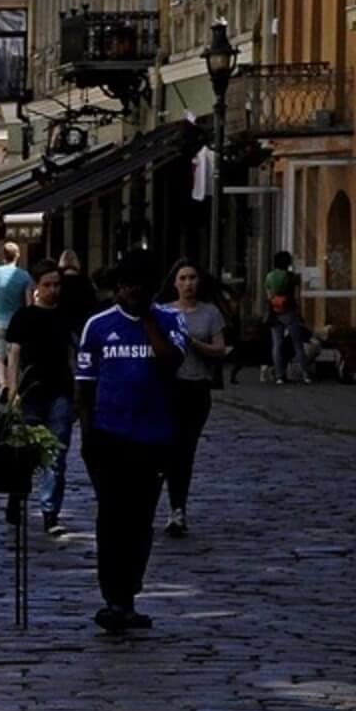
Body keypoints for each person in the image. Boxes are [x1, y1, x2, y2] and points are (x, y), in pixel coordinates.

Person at [76, 257, 185, 634]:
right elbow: (85, 386)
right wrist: (87, 438)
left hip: (154, 438)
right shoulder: (98, 326)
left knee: (140, 521)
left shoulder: (170, 322)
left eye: (141, 287)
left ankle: (129, 593)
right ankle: (114, 598)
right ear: (117, 288)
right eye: (126, 286)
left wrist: (150, 320)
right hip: (110, 437)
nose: (133, 292)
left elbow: (171, 362)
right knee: (111, 518)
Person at [6, 260, 81, 536]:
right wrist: (12, 389)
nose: (53, 290)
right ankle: (17, 494)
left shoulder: (67, 316)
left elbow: (74, 356)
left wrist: (77, 394)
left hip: (60, 391)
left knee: (57, 453)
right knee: (26, 452)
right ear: (36, 286)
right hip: (30, 391)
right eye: (47, 284)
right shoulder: (24, 317)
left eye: (56, 284)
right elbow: (13, 354)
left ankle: (50, 512)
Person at [158, 259, 232, 537]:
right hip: (168, 389)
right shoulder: (162, 313)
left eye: (192, 278)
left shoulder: (210, 313)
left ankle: (178, 509)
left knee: (185, 451)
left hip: (197, 389)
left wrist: (193, 343)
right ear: (174, 283)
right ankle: (167, 506)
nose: (189, 283)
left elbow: (220, 350)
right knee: (167, 451)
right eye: (183, 278)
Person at [0, 243, 32, 403]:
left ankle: (3, 383)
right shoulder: (25, 276)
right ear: (18, 255)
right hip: (17, 322)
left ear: (3, 255)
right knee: (15, 359)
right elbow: (29, 302)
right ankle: (14, 390)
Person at [263, 250, 310, 383]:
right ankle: (306, 374)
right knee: (297, 344)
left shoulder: (269, 276)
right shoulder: (292, 277)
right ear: (287, 262)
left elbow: (268, 296)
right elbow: (296, 296)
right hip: (289, 312)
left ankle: (279, 376)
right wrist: (299, 311)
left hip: (275, 313)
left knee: (277, 344)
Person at [56, 250, 100, 330]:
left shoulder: (57, 282)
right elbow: (93, 303)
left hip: (62, 322)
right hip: (82, 322)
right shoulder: (86, 281)